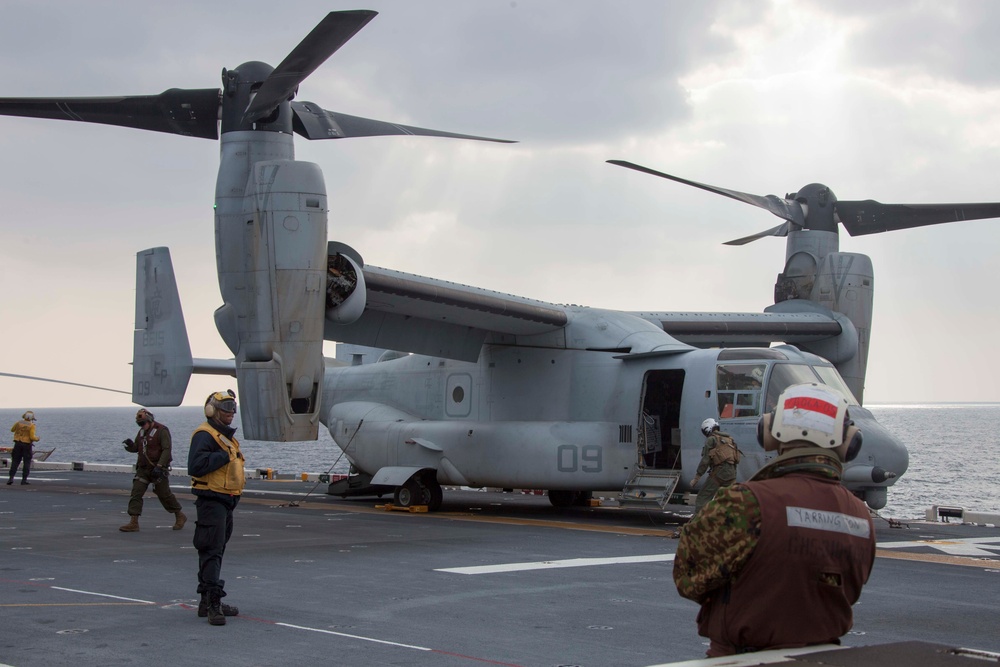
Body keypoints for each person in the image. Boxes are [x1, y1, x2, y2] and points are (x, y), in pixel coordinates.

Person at [674, 383, 875, 657]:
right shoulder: (861, 517)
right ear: (849, 442)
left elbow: (688, 577)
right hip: (823, 657)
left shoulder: (744, 502)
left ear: (768, 431)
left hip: (742, 658)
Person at [188, 390, 245, 626]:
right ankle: (213, 604)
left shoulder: (225, 437)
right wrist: (222, 457)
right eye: (225, 408)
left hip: (225, 501)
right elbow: (196, 465)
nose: (231, 412)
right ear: (212, 410)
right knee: (212, 551)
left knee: (216, 550)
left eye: (232, 408)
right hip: (212, 500)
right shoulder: (206, 435)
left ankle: (206, 603)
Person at [119, 409, 186, 532]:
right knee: (136, 492)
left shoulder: (162, 431)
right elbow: (137, 448)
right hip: (144, 469)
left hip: (158, 470)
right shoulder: (141, 432)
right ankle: (134, 522)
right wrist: (130, 446)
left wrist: (160, 466)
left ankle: (179, 514)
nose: (141, 425)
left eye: (143, 423)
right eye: (139, 424)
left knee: (164, 494)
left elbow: (167, 449)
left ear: (149, 420)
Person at [690, 418, 740, 514]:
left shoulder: (712, 439)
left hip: (719, 473)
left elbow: (705, 461)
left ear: (707, 429)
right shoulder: (730, 439)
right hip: (732, 473)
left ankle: (699, 523)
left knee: (703, 497)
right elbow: (735, 459)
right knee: (729, 500)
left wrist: (697, 478)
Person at [8, 411, 40, 485]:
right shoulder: (32, 425)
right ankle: (24, 480)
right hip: (27, 446)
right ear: (31, 418)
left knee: (15, 462)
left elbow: (12, 430)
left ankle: (11, 478)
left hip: (17, 444)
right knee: (27, 462)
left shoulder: (18, 422)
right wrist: (37, 438)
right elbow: (32, 437)